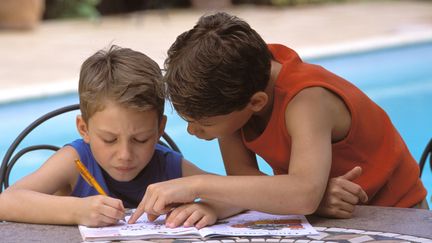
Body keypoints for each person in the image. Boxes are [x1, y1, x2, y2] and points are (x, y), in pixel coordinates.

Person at [128, 12, 428, 223]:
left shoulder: (307, 100)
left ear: (255, 103)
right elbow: (244, 179)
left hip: (395, 213)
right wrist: (216, 206)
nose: (193, 131)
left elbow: (301, 195)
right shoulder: (235, 82)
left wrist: (198, 186)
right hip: (329, 217)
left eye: (204, 124)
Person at [0, 45, 242, 228]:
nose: (125, 155)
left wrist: (210, 207)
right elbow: (6, 202)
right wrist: (76, 210)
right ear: (84, 129)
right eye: (109, 139)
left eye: (141, 140)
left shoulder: (168, 166)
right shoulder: (74, 162)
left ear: (159, 129)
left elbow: (242, 194)